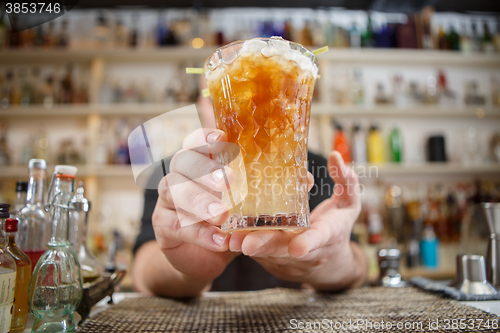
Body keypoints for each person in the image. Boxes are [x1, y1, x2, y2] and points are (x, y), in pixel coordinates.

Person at [132, 94, 368, 298]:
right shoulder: (175, 173)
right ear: (201, 104)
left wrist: (330, 261)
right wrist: (185, 271)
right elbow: (141, 273)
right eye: (220, 98)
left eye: (258, 98)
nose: (245, 109)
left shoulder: (312, 168)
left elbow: (358, 269)